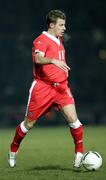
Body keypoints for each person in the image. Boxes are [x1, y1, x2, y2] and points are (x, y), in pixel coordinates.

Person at [8, 9, 84, 169]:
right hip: (43, 88)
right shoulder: (41, 40)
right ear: (51, 25)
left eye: (65, 25)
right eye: (61, 25)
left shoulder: (58, 38)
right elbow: (37, 58)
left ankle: (79, 153)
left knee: (74, 121)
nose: (64, 28)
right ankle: (13, 148)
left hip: (62, 88)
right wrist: (53, 61)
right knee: (28, 124)